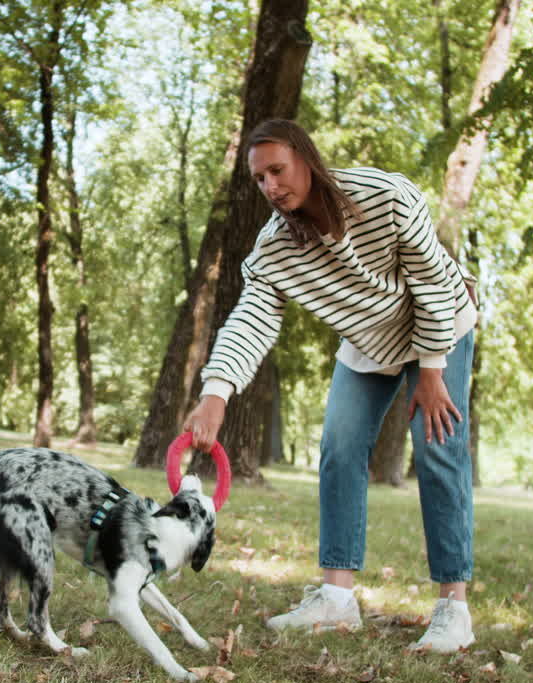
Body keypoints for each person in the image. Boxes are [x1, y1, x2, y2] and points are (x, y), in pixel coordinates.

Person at [183, 118, 478, 653]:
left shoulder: (386, 198)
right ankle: (337, 600)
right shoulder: (275, 247)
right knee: (339, 448)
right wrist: (215, 395)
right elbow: (251, 317)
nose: (271, 186)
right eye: (259, 179)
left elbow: (435, 280)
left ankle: (453, 607)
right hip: (369, 343)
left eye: (278, 169)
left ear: (306, 158)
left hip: (439, 328)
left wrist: (432, 371)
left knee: (438, 449)